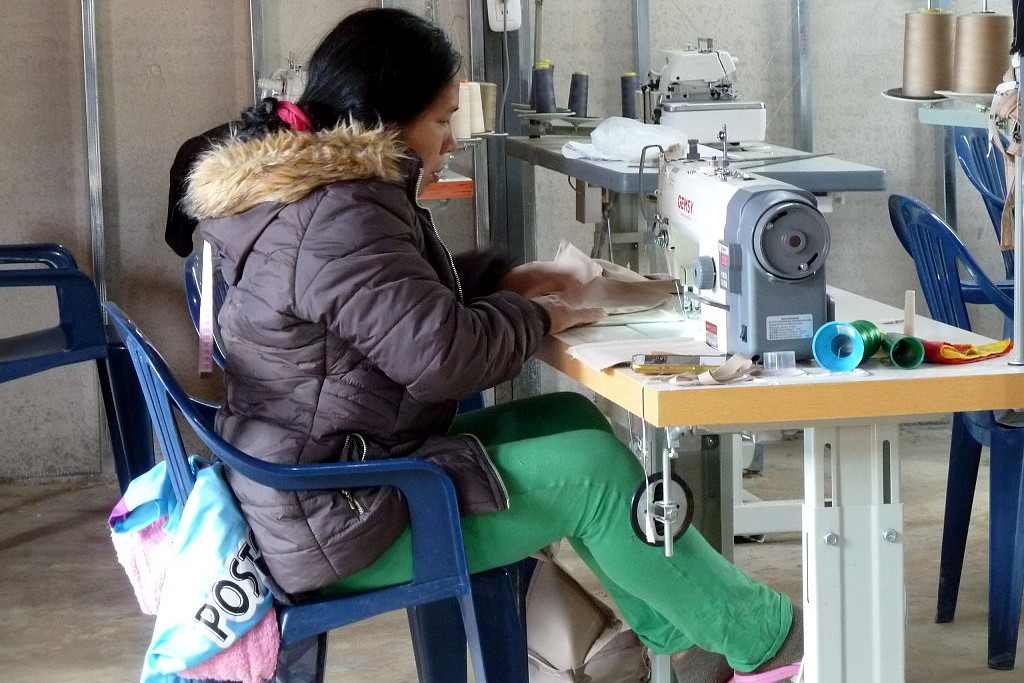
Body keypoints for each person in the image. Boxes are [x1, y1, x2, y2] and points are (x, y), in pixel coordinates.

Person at [181, 8, 802, 682]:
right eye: (443, 120)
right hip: (339, 520)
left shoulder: (308, 192)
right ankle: (767, 643)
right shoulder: (338, 213)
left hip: (319, 482)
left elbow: (384, 304)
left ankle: (682, 636)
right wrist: (543, 312)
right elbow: (444, 358)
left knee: (571, 421)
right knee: (592, 472)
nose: (450, 141)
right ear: (386, 117)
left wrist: (502, 280)